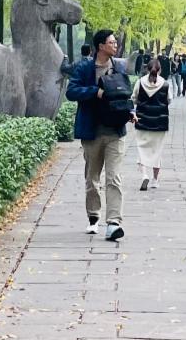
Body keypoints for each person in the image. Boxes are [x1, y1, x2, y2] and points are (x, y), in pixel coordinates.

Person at [66, 28, 134, 241]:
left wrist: (130, 112)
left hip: (115, 131)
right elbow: (71, 91)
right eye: (112, 43)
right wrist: (95, 91)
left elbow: (125, 95)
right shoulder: (85, 67)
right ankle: (93, 216)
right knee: (92, 179)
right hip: (92, 131)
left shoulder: (119, 67)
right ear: (101, 46)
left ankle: (113, 223)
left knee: (114, 178)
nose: (115, 45)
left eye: (115, 43)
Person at [133, 54, 172, 189]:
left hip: (142, 121)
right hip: (160, 123)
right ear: (160, 70)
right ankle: (155, 180)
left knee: (142, 150)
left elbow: (133, 98)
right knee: (157, 151)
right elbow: (169, 100)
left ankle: (144, 175)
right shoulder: (165, 84)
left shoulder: (139, 82)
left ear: (147, 69)